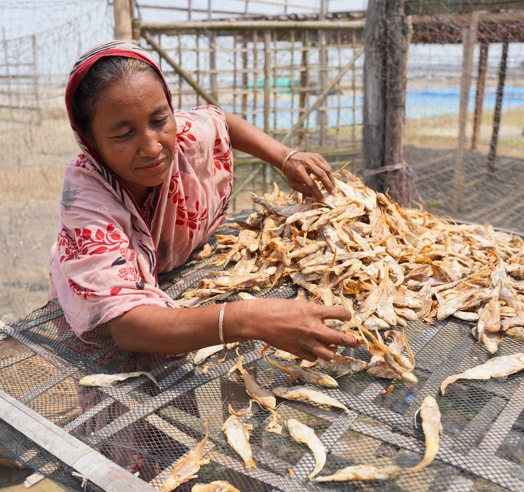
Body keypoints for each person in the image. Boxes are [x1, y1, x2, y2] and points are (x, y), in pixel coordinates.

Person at [50, 40, 358, 361]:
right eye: (124, 134)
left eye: (159, 120)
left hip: (169, 293)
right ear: (90, 140)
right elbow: (129, 326)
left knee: (181, 385)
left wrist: (286, 157)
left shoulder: (182, 134)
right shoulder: (86, 199)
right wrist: (253, 318)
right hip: (103, 319)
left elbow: (218, 120)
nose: (152, 146)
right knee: (114, 397)